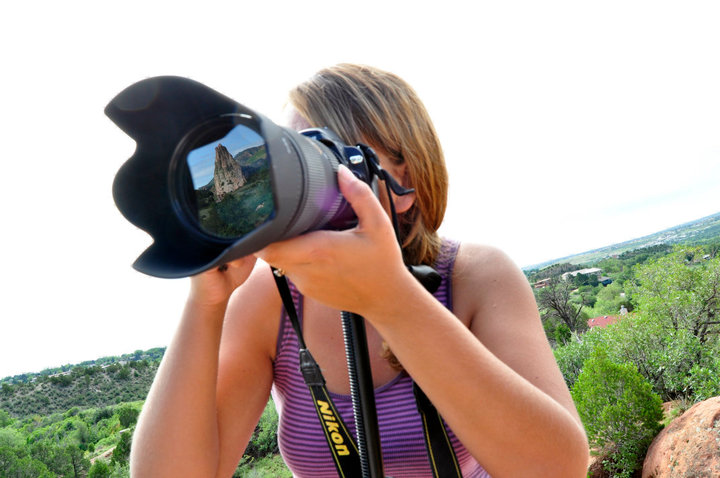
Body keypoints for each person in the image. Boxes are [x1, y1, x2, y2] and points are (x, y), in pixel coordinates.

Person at [129, 64, 589, 477]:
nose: (294, 174)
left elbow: (557, 468)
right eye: (283, 153)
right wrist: (205, 303)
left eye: (317, 151)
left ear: (402, 180)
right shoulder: (267, 302)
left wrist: (392, 301)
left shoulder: (473, 277)